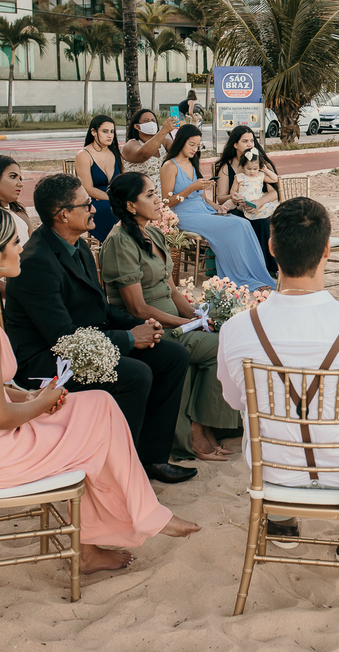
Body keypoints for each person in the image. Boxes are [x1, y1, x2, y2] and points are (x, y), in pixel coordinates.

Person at [0, 203, 200, 574]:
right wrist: (41, 405)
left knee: (100, 405)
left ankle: (121, 526)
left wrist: (29, 396)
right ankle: (140, 517)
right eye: (14, 242)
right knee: (95, 425)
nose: (21, 249)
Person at [218, 196, 339, 555]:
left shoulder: (237, 329)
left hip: (273, 473)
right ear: (326, 250)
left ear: (271, 247)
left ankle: (280, 520)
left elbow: (232, 400)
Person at [4, 174, 196, 484]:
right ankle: (120, 469)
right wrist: (130, 339)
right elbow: (63, 338)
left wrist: (141, 325)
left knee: (172, 356)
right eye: (86, 203)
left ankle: (152, 459)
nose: (94, 208)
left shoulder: (78, 246)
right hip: (47, 361)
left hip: (88, 345)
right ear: (63, 214)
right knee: (136, 374)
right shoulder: (37, 261)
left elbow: (100, 310)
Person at [101, 172, 242, 461]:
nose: (158, 200)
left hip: (175, 323)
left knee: (226, 333)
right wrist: (186, 324)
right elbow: (137, 309)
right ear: (130, 205)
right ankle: (197, 429)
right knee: (221, 347)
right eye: (150, 195)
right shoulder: (119, 242)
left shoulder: (151, 232)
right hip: (150, 329)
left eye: (156, 192)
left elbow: (172, 288)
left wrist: (199, 316)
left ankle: (211, 424)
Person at [161, 125, 274, 292]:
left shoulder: (192, 164)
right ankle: (240, 278)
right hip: (184, 214)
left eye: (198, 145)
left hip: (203, 210)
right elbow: (166, 202)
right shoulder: (170, 166)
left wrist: (219, 207)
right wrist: (192, 188)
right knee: (235, 225)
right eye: (191, 144)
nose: (195, 149)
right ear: (181, 142)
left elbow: (203, 197)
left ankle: (257, 275)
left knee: (243, 224)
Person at [214, 126, 279, 276]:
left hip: (260, 205)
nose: (250, 144)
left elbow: (274, 192)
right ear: (235, 145)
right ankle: (245, 268)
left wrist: (258, 202)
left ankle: (268, 267)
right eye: (245, 141)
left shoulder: (259, 164)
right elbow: (221, 197)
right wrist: (234, 197)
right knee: (239, 222)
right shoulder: (226, 167)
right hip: (237, 207)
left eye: (252, 140)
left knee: (262, 222)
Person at [74, 115, 123, 242]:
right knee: (112, 210)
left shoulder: (115, 152)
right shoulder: (84, 155)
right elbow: (88, 188)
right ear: (94, 132)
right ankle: (113, 244)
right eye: (105, 131)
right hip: (92, 200)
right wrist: (113, 199)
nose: (110, 135)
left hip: (115, 198)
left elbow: (122, 181)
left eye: (112, 131)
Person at [122, 109, 178, 190]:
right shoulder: (131, 144)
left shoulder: (164, 143)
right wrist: (164, 131)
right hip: (140, 193)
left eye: (153, 120)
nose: (151, 123)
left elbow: (181, 151)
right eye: (146, 121)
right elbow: (144, 154)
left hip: (163, 195)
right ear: (137, 126)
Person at [228, 149, 279, 222]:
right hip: (245, 202)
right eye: (249, 169)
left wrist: (266, 170)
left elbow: (276, 179)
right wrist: (236, 196)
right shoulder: (239, 177)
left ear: (259, 167)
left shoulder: (260, 175)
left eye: (255, 169)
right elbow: (233, 190)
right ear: (243, 166)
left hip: (257, 202)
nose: (252, 171)